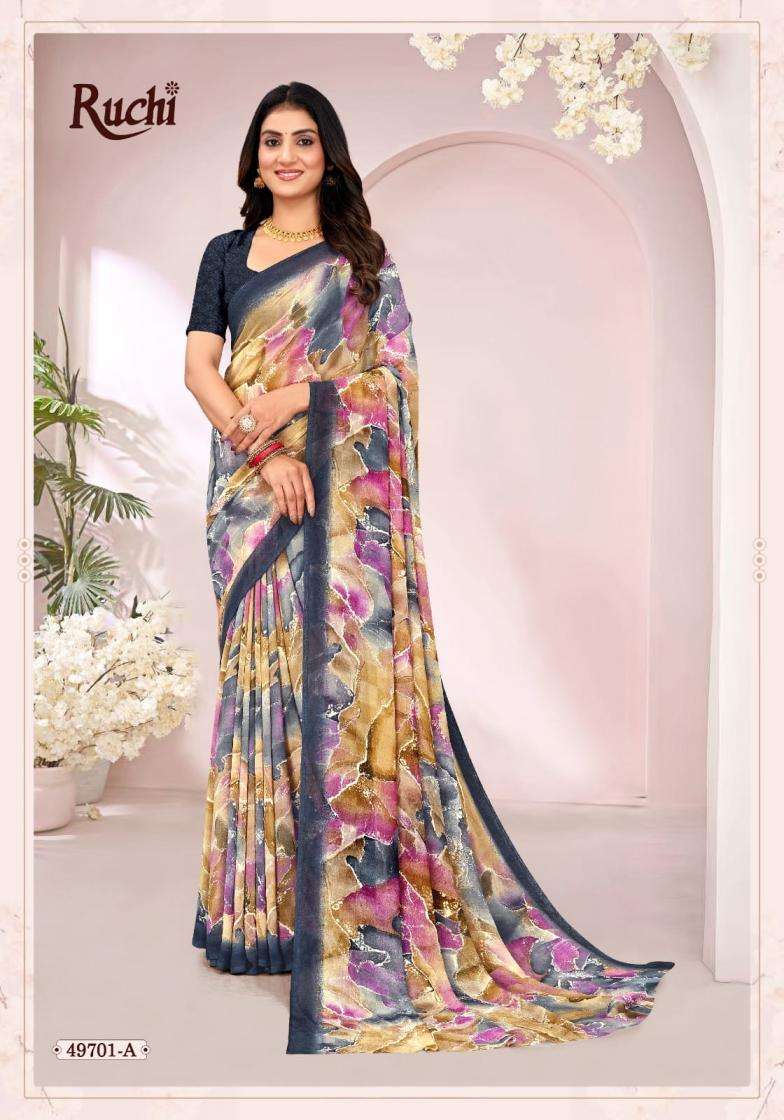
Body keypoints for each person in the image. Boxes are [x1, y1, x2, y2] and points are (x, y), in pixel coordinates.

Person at [184, 81, 675, 1056]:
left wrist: (299, 395)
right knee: (262, 690)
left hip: (338, 499)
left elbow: (394, 378)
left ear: (329, 156)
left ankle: (343, 916)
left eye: (304, 140)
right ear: (254, 158)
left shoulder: (362, 260)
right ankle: (261, 917)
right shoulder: (225, 256)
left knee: (338, 695)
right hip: (251, 495)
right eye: (272, 140)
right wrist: (264, 448)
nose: (287, 155)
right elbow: (201, 367)